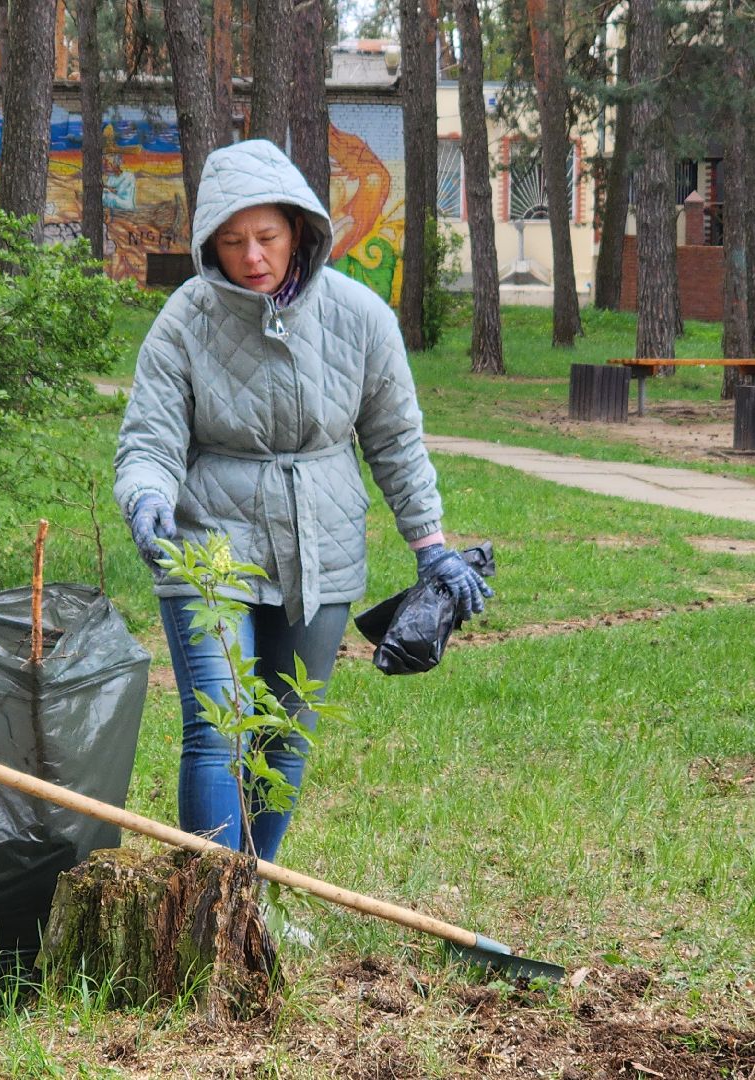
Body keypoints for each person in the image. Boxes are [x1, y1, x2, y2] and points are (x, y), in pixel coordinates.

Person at [114, 139, 491, 865]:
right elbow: (149, 439)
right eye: (231, 241)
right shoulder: (184, 322)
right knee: (220, 727)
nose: (252, 256)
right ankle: (207, 903)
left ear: (300, 230)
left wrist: (432, 548)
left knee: (286, 731)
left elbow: (396, 442)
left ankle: (250, 898)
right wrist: (146, 497)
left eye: (266, 237)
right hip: (207, 545)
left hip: (321, 543)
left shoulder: (360, 316)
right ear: (208, 245)